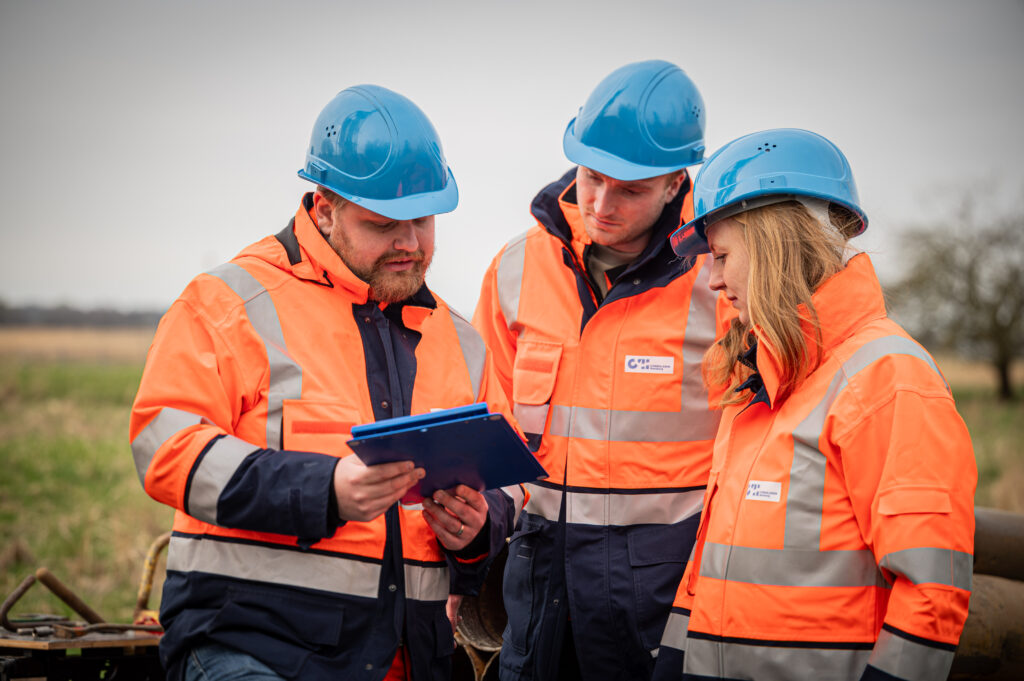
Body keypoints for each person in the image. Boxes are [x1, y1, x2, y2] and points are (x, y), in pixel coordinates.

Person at [129, 85, 524, 681]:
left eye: (423, 219)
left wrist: (479, 525)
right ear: (323, 209)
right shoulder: (229, 302)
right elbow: (165, 447)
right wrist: (326, 488)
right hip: (250, 648)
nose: (411, 243)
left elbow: (512, 481)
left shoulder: (462, 342)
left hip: (411, 659)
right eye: (384, 224)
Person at [654, 128, 975, 681]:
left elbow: (933, 590)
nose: (712, 279)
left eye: (722, 255)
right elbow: (711, 567)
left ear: (777, 244)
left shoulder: (889, 378)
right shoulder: (757, 386)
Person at [473, 60, 727, 680]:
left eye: (630, 189)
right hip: (537, 583)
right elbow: (488, 428)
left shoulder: (722, 280)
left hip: (665, 589)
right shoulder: (515, 267)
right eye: (591, 179)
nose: (601, 205)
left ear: (675, 182)